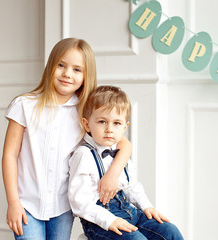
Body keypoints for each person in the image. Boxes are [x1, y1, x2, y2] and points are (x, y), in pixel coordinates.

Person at [2, 38, 131, 240]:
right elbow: (10, 155)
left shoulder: (85, 111)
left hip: (63, 206)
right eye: (61, 65)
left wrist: (112, 174)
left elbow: (125, 145)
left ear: (86, 75)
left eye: (77, 70)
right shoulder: (24, 105)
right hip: (26, 203)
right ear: (51, 65)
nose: (67, 74)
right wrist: (13, 202)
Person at [68, 85, 184, 240]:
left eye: (116, 123)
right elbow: (79, 202)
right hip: (100, 221)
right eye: (102, 121)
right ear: (87, 124)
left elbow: (131, 185)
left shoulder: (119, 151)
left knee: (170, 232)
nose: (109, 129)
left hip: (129, 211)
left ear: (124, 127)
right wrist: (110, 220)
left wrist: (147, 206)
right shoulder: (83, 155)